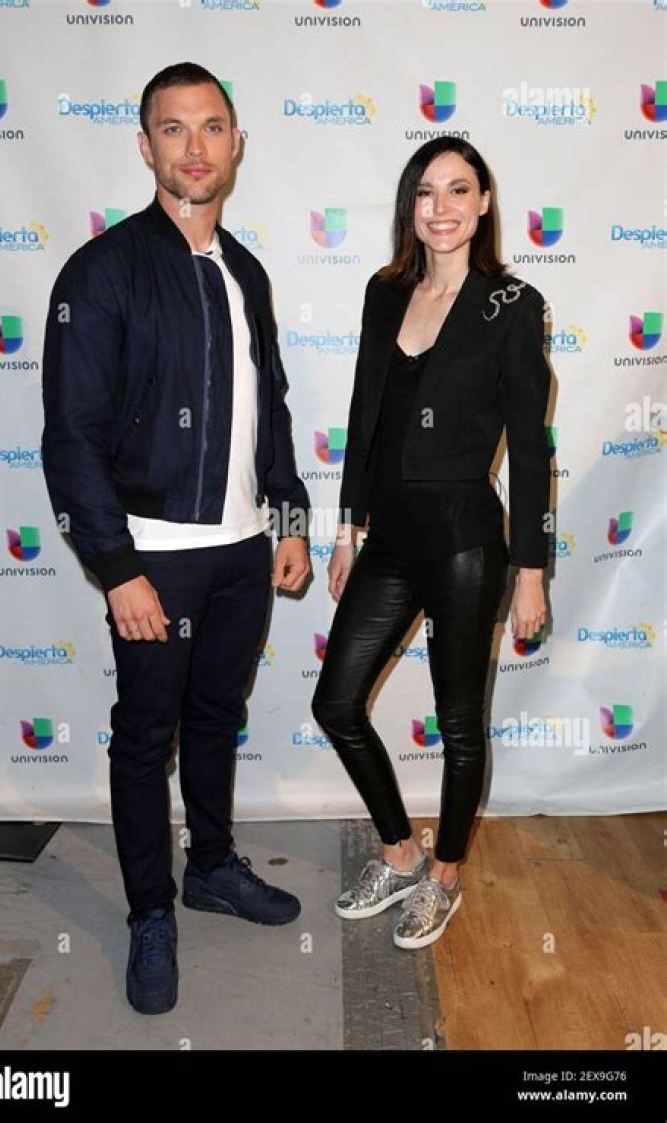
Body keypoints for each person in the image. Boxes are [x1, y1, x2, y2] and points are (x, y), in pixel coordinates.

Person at [41, 62, 311, 1014]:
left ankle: (214, 866)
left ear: (236, 144)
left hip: (242, 551)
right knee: (143, 736)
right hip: (151, 554)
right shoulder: (101, 271)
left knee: (215, 715)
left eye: (211, 128)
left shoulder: (248, 272)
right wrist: (118, 569)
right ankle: (150, 912)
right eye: (173, 128)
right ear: (145, 145)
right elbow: (71, 436)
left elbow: (271, 410)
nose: (195, 148)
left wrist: (286, 519)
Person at [312, 137, 551, 950]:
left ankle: (444, 876)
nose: (440, 207)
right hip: (389, 538)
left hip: (464, 543)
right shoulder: (386, 294)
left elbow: (531, 447)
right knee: (335, 702)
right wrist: (346, 528)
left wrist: (531, 571)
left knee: (459, 725)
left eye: (458, 189)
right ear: (409, 205)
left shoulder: (511, 304)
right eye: (425, 191)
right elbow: (362, 414)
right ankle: (400, 852)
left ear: (483, 203)